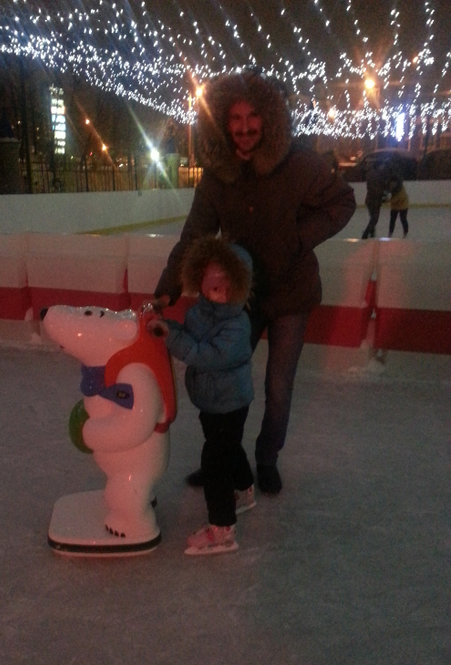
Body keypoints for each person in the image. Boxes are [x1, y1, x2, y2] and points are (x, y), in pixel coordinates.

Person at [154, 70, 356, 496]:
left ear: (268, 118)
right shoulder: (218, 175)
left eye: (252, 117)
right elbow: (194, 235)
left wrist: (299, 238)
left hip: (291, 293)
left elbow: (342, 202)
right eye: (235, 118)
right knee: (223, 381)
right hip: (239, 298)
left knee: (277, 388)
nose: (244, 127)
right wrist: (167, 288)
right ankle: (223, 460)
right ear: (222, 123)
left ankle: (266, 459)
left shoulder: (299, 164)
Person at [152, 237, 255, 555]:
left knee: (215, 463)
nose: (220, 294)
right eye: (213, 286)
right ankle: (245, 489)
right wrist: (167, 326)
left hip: (230, 402)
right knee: (227, 446)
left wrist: (171, 338)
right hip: (211, 400)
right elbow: (189, 335)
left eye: (227, 287)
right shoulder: (199, 314)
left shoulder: (237, 325)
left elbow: (205, 355)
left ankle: (222, 529)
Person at [361, 161, 389, 239]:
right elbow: (376, 189)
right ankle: (366, 233)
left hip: (372, 200)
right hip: (374, 200)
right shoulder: (375, 176)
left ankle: (372, 232)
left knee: (373, 217)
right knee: (374, 218)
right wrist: (382, 194)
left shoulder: (372, 174)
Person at [387, 172, 409, 238]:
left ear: (396, 183)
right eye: (391, 183)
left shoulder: (401, 188)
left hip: (403, 205)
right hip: (394, 206)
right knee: (392, 220)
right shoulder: (390, 186)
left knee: (403, 219)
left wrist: (388, 201)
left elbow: (399, 197)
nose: (391, 185)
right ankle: (390, 233)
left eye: (393, 183)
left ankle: (405, 232)